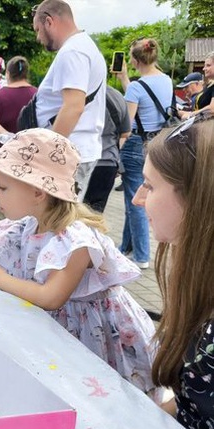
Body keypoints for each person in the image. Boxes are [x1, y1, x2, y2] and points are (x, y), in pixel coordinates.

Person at [0, 128, 159, 401]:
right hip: (64, 331)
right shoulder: (28, 224)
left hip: (99, 338)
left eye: (3, 187)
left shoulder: (75, 239)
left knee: (108, 396)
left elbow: (51, 296)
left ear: (39, 192)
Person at [134, 113, 214, 429]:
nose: (138, 199)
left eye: (150, 186)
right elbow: (189, 408)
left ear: (197, 198)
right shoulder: (199, 278)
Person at [32, 0, 107, 201]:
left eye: (38, 30)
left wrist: (48, 153)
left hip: (66, 154)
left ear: (49, 21)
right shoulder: (85, 46)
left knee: (57, 223)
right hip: (74, 150)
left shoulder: (73, 51)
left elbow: (73, 107)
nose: (38, 37)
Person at [114, 37, 173, 270]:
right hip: (157, 142)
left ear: (136, 61)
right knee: (134, 196)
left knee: (135, 200)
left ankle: (141, 254)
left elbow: (126, 125)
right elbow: (147, 101)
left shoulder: (137, 87)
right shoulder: (166, 81)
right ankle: (126, 248)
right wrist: (125, 80)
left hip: (135, 144)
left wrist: (115, 150)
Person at [83, 86, 131, 214]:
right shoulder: (117, 96)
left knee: (71, 217)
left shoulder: (76, 95)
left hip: (81, 161)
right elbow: (126, 132)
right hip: (107, 163)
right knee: (94, 215)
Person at [0, 55, 38, 152]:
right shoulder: (37, 94)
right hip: (30, 149)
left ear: (7, 73)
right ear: (26, 74)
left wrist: (8, 136)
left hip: (1, 151)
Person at [180, 52, 214, 119]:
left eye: (208, 65)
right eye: (204, 66)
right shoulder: (210, 85)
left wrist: (190, 115)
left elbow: (212, 110)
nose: (204, 69)